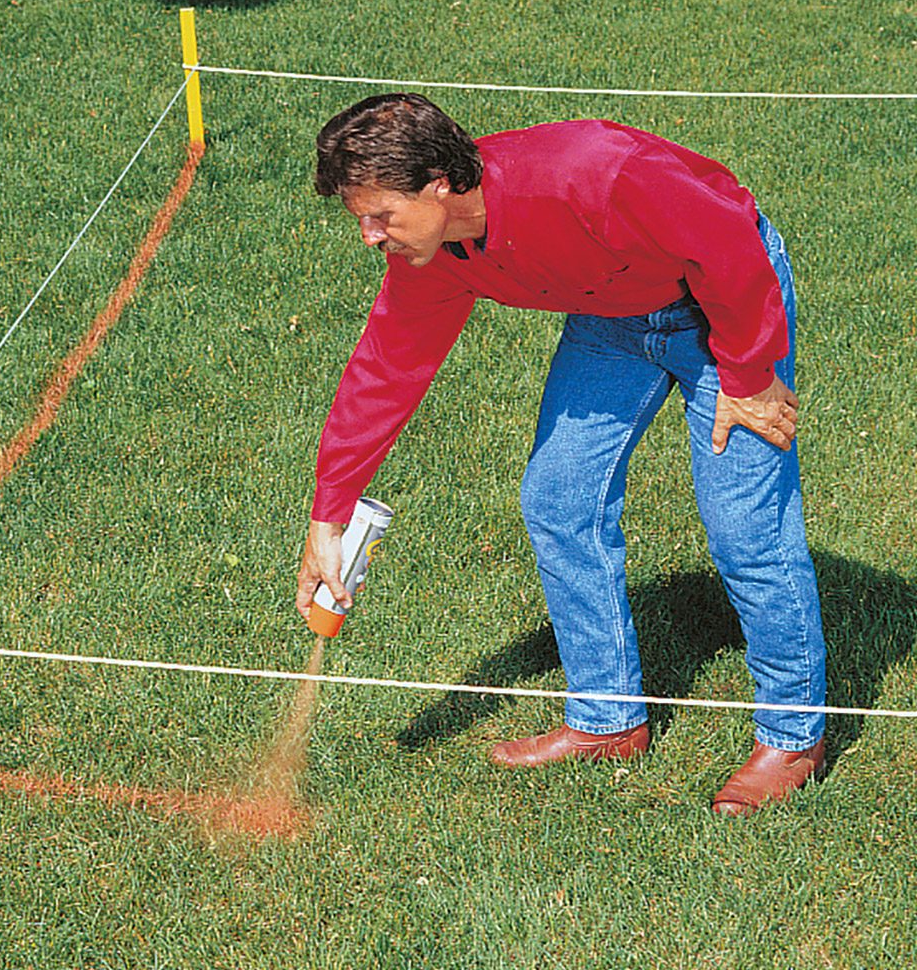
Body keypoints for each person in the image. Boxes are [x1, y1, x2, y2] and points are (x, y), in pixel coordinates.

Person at [295, 93, 827, 817]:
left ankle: (793, 734)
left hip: (722, 298)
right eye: (361, 217)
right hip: (612, 316)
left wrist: (750, 370)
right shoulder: (437, 254)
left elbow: (726, 237)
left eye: (380, 214)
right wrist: (329, 517)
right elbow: (385, 372)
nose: (369, 235)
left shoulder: (594, 173)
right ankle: (609, 718)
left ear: (438, 185)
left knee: (745, 526)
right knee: (559, 500)